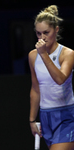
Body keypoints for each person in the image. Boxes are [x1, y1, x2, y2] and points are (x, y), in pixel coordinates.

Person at [28, 5, 74, 150]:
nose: (42, 38)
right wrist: (32, 120)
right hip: (46, 117)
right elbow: (35, 89)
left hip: (67, 116)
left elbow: (60, 79)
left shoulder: (67, 54)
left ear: (56, 30)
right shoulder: (32, 56)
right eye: (38, 33)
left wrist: (44, 54)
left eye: (46, 33)